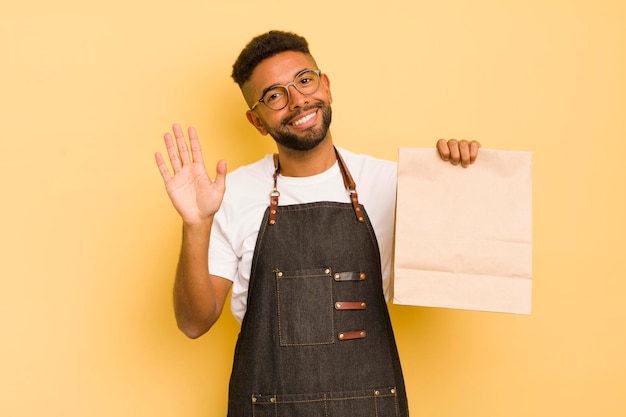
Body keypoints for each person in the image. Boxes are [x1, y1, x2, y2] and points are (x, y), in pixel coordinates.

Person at [155, 30, 480, 417]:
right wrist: (195, 223)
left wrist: (457, 180)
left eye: (304, 81)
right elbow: (194, 323)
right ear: (256, 121)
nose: (297, 101)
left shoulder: (393, 184)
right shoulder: (230, 194)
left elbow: (454, 278)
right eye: (274, 95)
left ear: (325, 86)